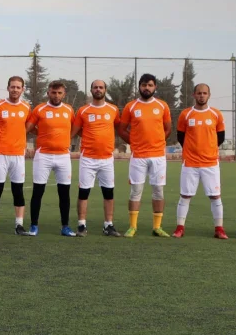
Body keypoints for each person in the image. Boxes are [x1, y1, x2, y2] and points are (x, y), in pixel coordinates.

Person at [118, 73, 173, 238]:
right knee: (135, 191)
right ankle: (132, 227)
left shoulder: (162, 106)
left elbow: (168, 128)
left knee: (158, 191)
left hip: (158, 156)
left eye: (150, 85)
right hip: (138, 156)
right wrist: (134, 143)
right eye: (144, 85)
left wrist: (158, 142)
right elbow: (121, 129)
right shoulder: (131, 106)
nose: (146, 88)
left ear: (155, 87)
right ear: (139, 87)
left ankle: (157, 227)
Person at [175, 84, 227, 239]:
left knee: (215, 196)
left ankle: (219, 229)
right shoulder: (186, 114)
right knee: (185, 196)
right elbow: (181, 137)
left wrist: (208, 150)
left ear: (209, 95)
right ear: (194, 95)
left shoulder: (216, 114)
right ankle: (180, 228)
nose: (202, 96)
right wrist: (192, 150)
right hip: (190, 163)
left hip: (210, 163)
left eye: (204, 93)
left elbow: (220, 137)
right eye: (199, 93)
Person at [26, 81, 75, 237]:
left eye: (59, 93)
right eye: (53, 92)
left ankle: (65, 226)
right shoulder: (39, 109)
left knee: (64, 192)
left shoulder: (69, 110)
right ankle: (34, 226)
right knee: (38, 191)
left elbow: (74, 127)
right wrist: (40, 133)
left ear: (64, 94)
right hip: (43, 155)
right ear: (48, 93)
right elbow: (28, 127)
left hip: (63, 156)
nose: (56, 95)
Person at [72, 80, 120, 236]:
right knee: (83, 192)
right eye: (95, 87)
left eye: (101, 87)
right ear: (91, 90)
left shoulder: (113, 109)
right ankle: (81, 225)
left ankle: (108, 225)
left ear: (105, 90)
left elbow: (117, 127)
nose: (98, 89)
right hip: (88, 158)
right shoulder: (83, 110)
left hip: (107, 158)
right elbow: (74, 131)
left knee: (108, 193)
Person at [0, 76, 30, 234]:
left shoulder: (26, 107)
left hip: (18, 154)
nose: (15, 90)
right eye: (13, 87)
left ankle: (19, 224)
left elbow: (28, 127)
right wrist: (0, 135)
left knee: (18, 190)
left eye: (18, 87)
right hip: (0, 153)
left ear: (22, 89)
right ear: (8, 88)